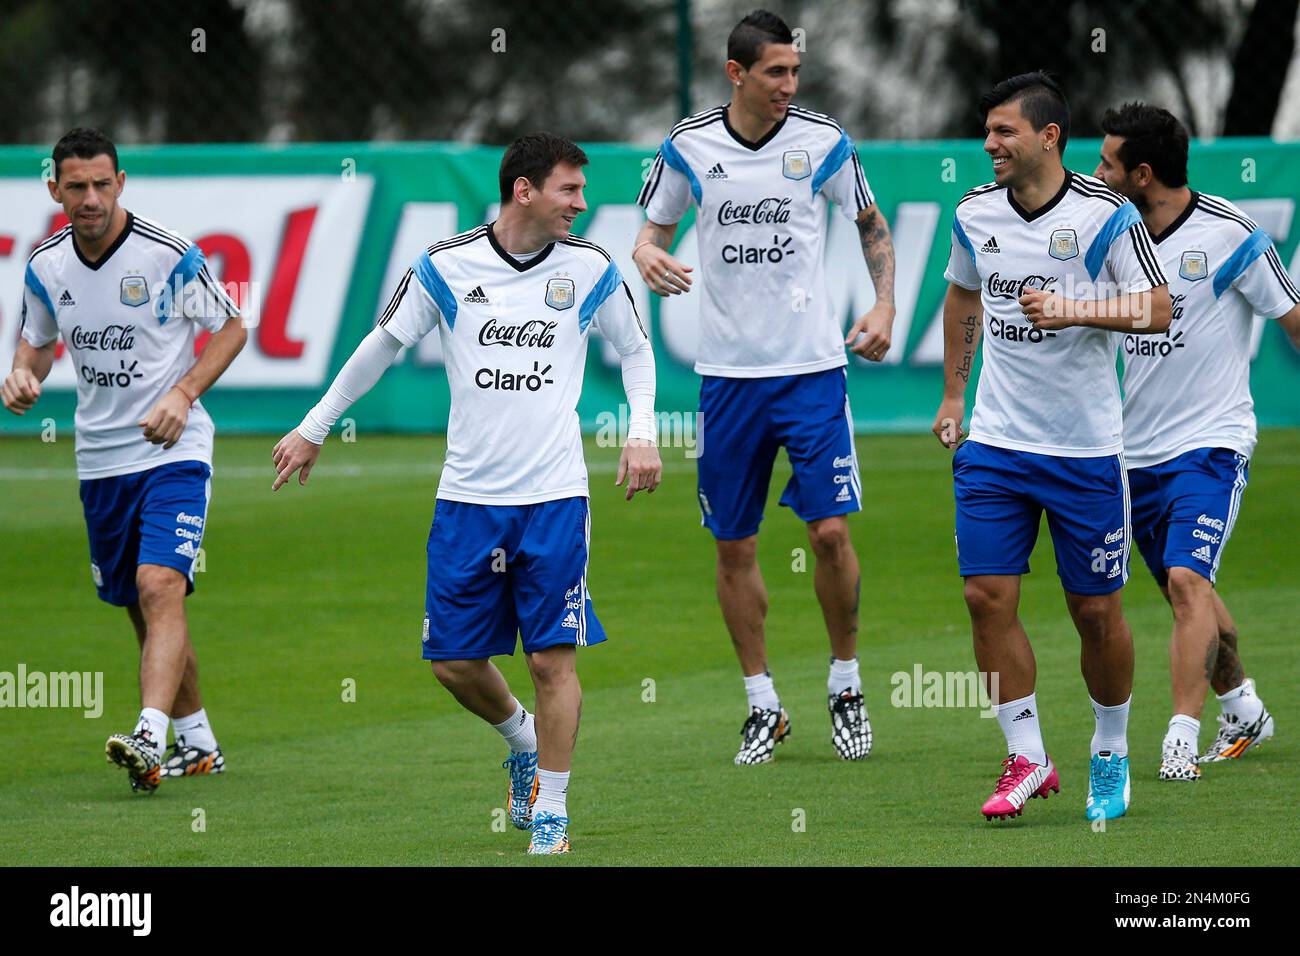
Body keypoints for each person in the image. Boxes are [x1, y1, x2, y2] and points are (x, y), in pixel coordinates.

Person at [271, 132, 661, 855]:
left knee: (552, 660)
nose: (582, 203)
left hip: (554, 498)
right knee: (452, 663)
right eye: (569, 190)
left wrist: (641, 430)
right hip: (468, 500)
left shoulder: (591, 268)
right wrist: (315, 427)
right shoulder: (445, 266)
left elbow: (636, 352)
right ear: (524, 190)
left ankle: (552, 812)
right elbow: (381, 345)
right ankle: (520, 739)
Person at [632, 9, 896, 765]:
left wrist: (882, 304)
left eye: (795, 72)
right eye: (775, 72)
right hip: (727, 381)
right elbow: (651, 233)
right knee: (733, 545)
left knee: (831, 532)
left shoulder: (823, 141)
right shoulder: (688, 146)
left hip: (813, 371)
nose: (789, 85)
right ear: (736, 73)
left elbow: (871, 224)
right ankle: (762, 703)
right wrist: (649, 254)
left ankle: (845, 681)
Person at [932, 73, 1172, 821]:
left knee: (1095, 614)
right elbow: (964, 296)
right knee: (984, 596)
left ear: (1048, 137)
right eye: (987, 130)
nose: (989, 144)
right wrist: (951, 394)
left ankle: (1109, 749)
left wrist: (1072, 309)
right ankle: (1028, 757)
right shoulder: (974, 212)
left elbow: (1159, 307)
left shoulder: (1105, 215)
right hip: (998, 442)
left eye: (1004, 131)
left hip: (1086, 451)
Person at [3, 127, 246, 793]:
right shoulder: (46, 266)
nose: (90, 198)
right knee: (139, 605)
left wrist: (183, 392)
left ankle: (149, 734)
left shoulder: (165, 255)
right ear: (53, 189)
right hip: (101, 460)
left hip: (175, 448)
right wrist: (21, 375)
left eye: (101, 184)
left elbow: (232, 327)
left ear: (121, 183)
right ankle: (198, 744)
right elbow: (36, 344)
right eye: (76, 186)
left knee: (160, 585)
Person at [1094, 102, 1299, 780]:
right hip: (1136, 452)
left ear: (1143, 174)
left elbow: (1294, 318)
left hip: (1213, 441)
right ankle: (1242, 705)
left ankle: (1181, 734)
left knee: (1187, 579)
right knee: (1193, 593)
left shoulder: (1231, 234)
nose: (1096, 173)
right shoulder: (1109, 235)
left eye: (1107, 163)